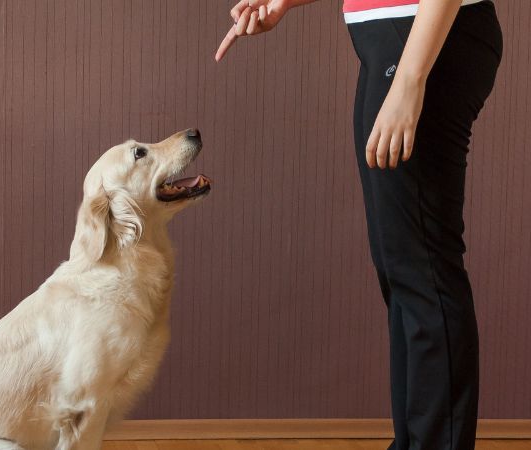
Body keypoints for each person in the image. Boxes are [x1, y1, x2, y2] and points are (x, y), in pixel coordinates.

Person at [215, 1, 503, 449]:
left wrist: (409, 82)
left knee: (423, 271)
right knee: (401, 271)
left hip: (423, 40)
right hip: (388, 42)